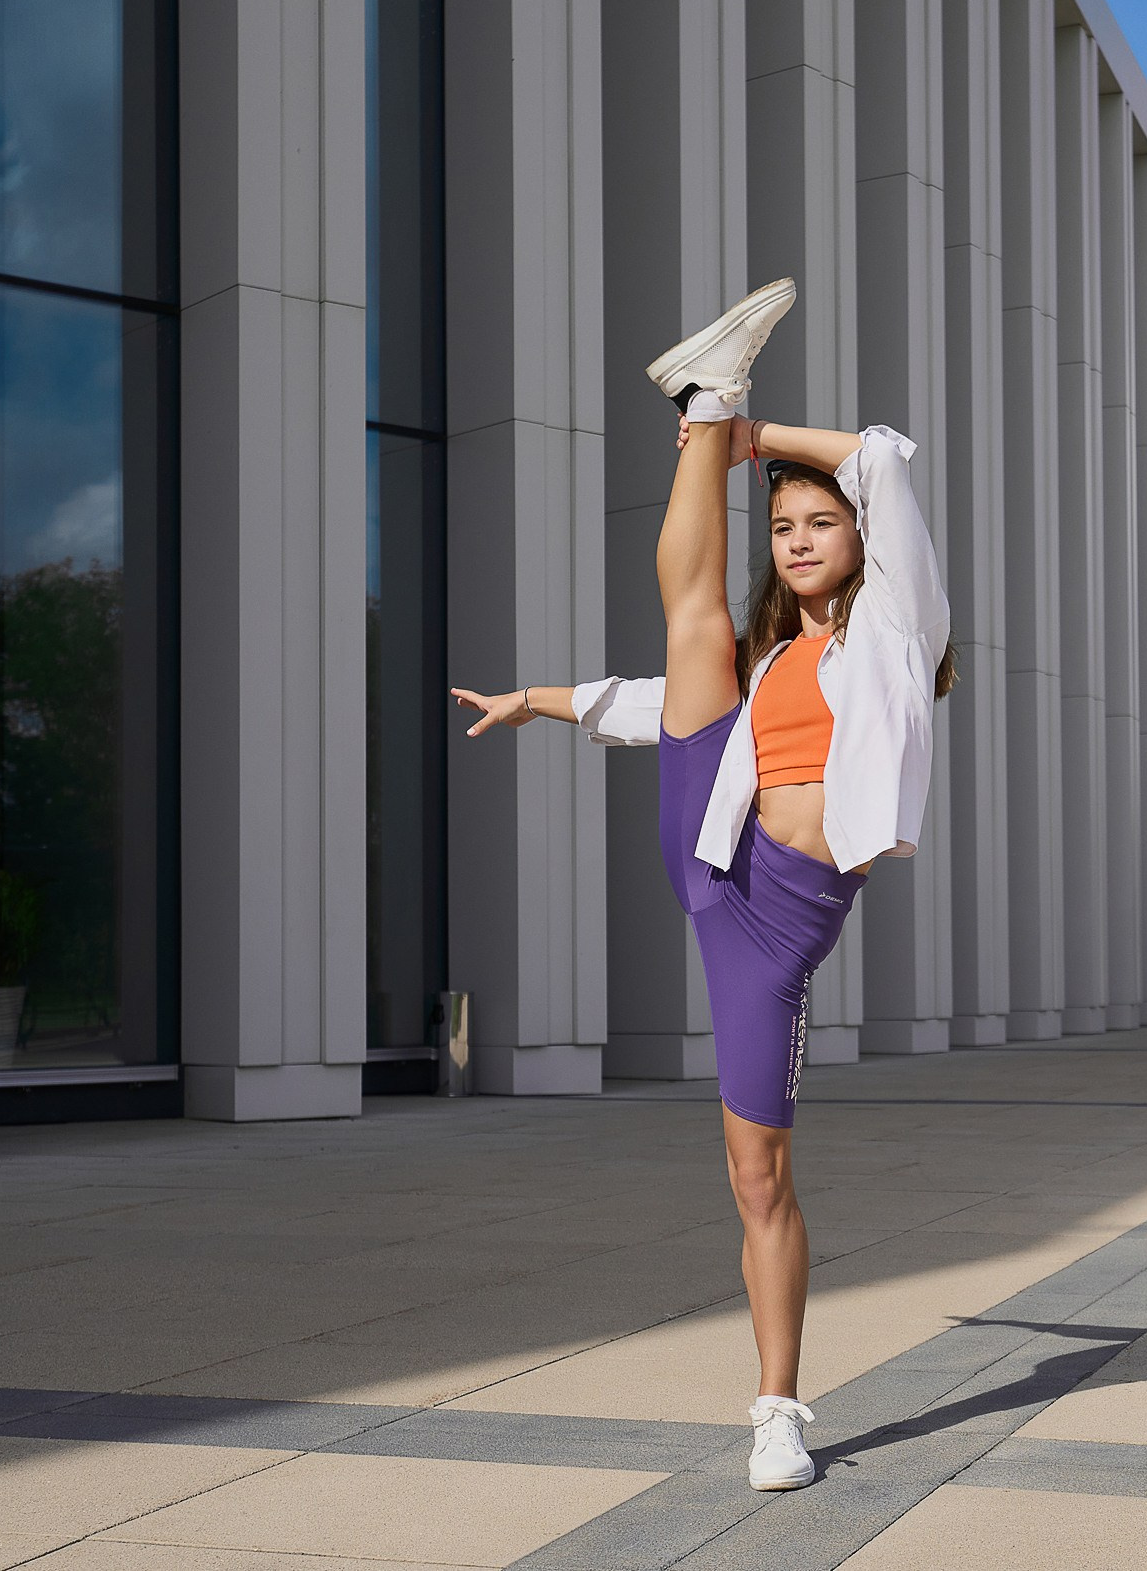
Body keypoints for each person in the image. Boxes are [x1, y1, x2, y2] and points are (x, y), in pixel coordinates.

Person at [450, 279, 954, 1493]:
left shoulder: (895, 630)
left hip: (774, 925)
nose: (794, 538)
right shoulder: (775, 652)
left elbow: (884, 460)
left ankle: (777, 1409)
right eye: (780, 524)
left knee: (756, 1175)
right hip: (707, 847)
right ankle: (709, 385)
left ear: (860, 543)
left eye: (816, 523)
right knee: (692, 630)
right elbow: (661, 708)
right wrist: (539, 699)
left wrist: (760, 445)